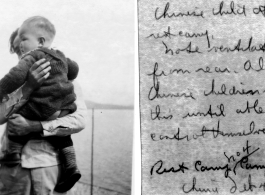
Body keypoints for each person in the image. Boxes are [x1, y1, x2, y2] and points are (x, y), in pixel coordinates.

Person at [0, 28, 87, 194]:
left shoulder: (65, 80)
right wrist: (28, 87)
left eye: (25, 48)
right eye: (18, 50)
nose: (22, 54)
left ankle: (71, 167)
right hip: (10, 168)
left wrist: (35, 126)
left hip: (45, 166)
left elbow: (80, 121)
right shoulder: (14, 80)